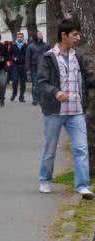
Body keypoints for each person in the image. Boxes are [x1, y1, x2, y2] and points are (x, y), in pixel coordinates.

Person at [36, 18, 95, 198]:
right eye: (75, 34)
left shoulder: (77, 57)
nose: (78, 37)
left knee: (81, 148)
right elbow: (41, 82)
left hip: (76, 111)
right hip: (55, 111)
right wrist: (56, 92)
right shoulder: (48, 57)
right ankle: (45, 180)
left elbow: (86, 81)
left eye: (78, 34)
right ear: (64, 35)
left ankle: (82, 186)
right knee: (50, 148)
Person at [26, 31, 50, 106]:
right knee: (35, 84)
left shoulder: (46, 45)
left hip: (44, 67)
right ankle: (35, 99)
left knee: (43, 83)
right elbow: (28, 58)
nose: (41, 34)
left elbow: (50, 56)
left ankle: (42, 99)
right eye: (39, 34)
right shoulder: (31, 46)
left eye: (41, 33)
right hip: (34, 67)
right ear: (35, 36)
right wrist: (28, 69)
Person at [10, 32, 29, 103]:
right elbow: (9, 55)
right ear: (16, 38)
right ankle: (14, 94)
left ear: (23, 38)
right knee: (15, 80)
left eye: (21, 37)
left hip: (23, 66)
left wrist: (27, 63)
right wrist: (13, 58)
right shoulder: (13, 46)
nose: (20, 38)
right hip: (15, 66)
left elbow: (28, 55)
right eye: (19, 37)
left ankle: (21, 96)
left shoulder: (26, 45)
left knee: (23, 82)